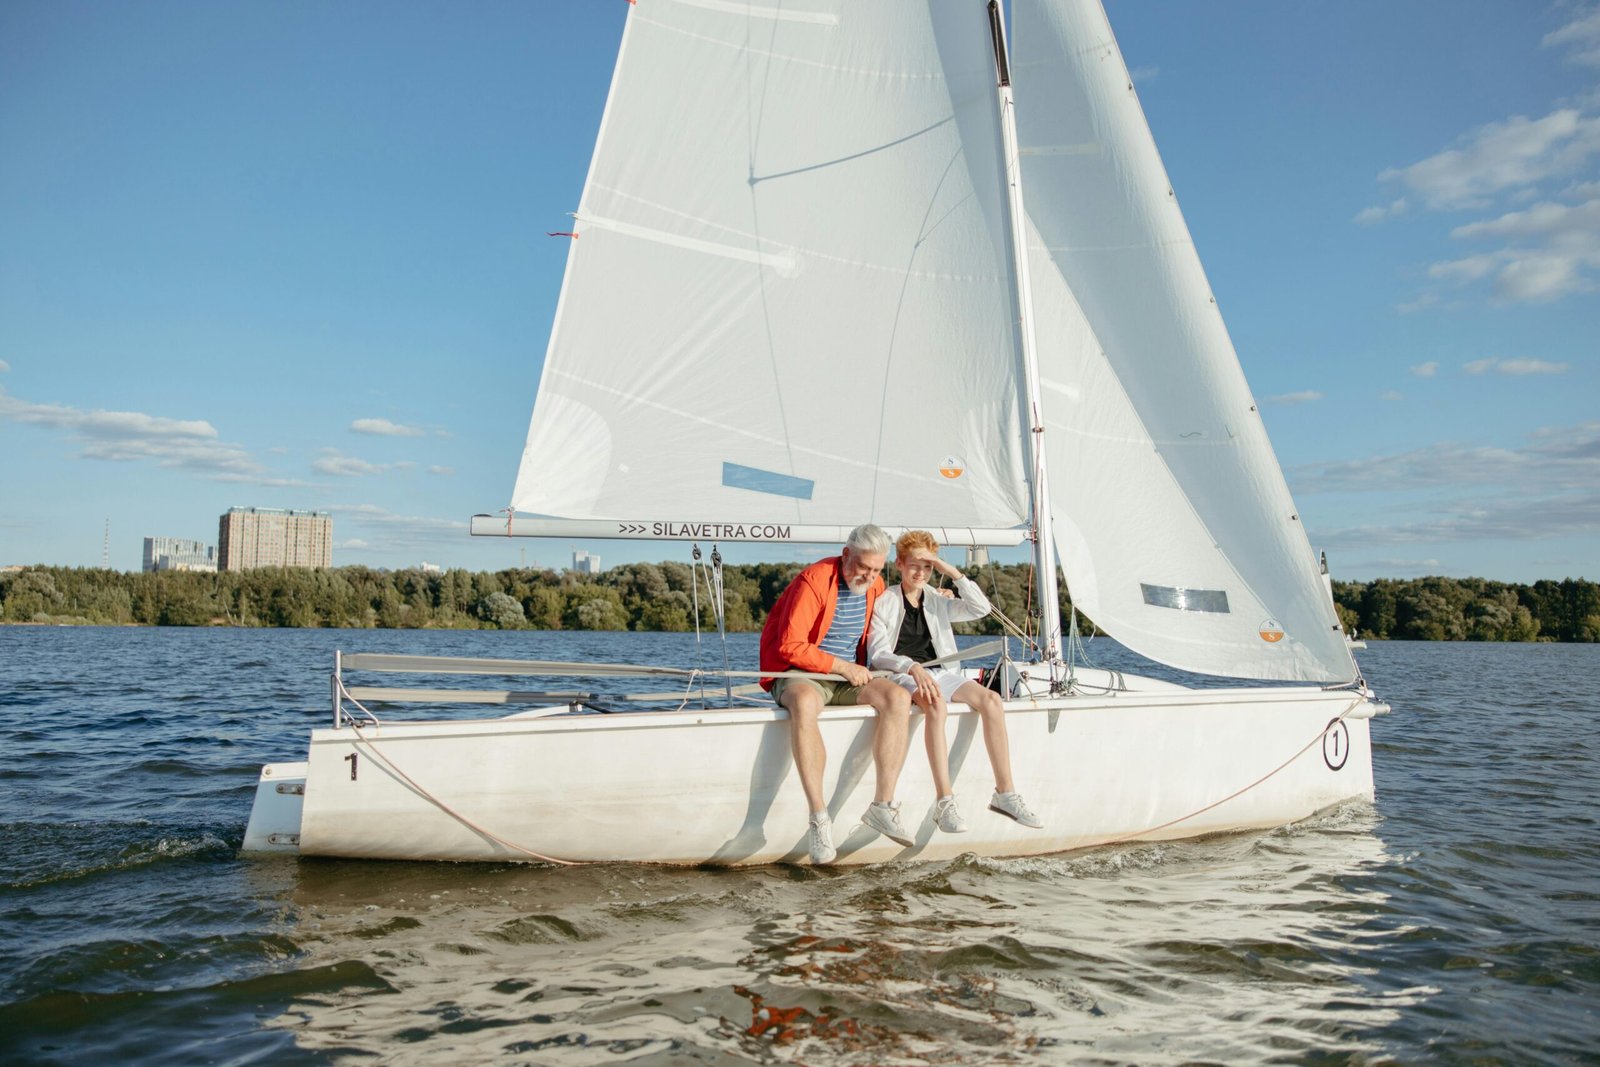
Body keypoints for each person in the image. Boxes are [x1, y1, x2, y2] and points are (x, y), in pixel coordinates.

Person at [867, 530, 1042, 834]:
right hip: (901, 675)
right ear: (899, 565)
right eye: (914, 565)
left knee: (991, 700)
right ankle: (944, 801)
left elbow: (980, 609)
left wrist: (951, 571)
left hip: (942, 672)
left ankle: (1005, 793)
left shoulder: (937, 599)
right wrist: (911, 667)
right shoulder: (885, 601)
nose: (920, 573)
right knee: (936, 706)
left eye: (927, 567)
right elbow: (878, 653)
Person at [759, 523, 914, 864]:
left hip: (847, 676)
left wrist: (935, 596)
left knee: (897, 698)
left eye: (877, 570)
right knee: (803, 702)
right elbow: (789, 645)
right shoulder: (813, 581)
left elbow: (903, 603)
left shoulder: (875, 587)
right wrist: (842, 667)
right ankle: (819, 818)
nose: (870, 576)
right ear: (846, 555)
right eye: (864, 567)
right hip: (802, 673)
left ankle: (882, 806)